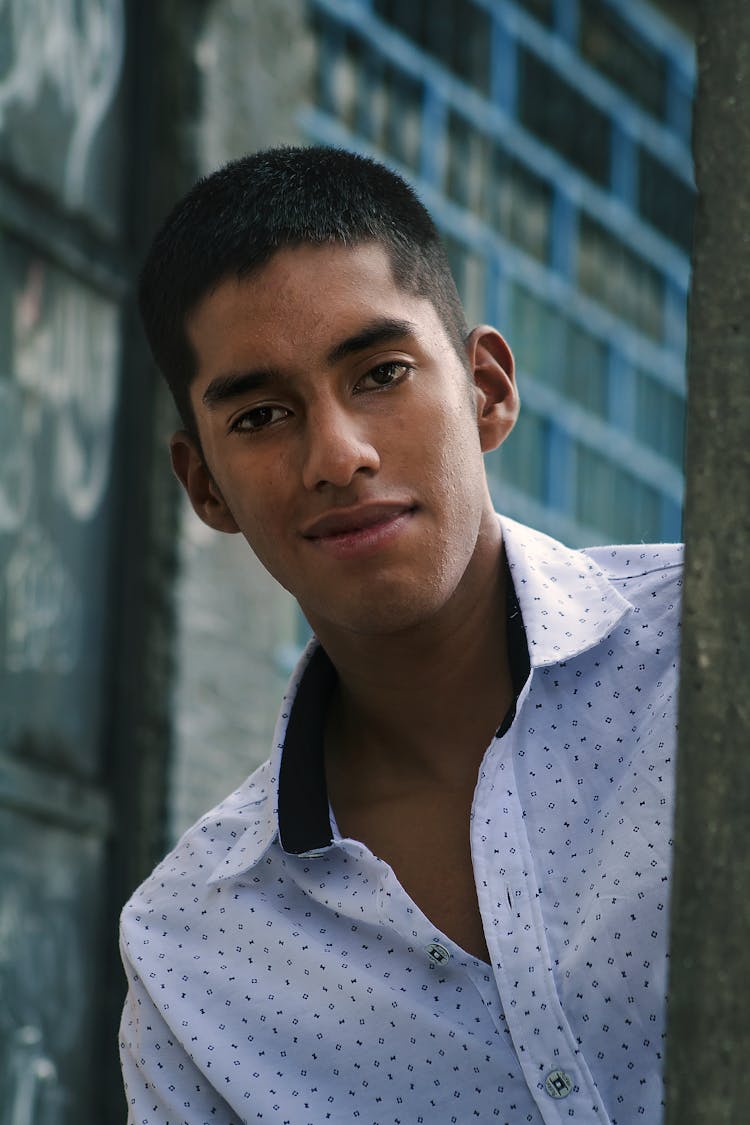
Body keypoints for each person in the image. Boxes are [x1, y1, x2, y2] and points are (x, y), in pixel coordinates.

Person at [119, 146, 682, 1125]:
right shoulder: (194, 959)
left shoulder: (709, 657)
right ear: (204, 484)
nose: (338, 455)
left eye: (380, 372)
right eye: (260, 415)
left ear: (487, 390)